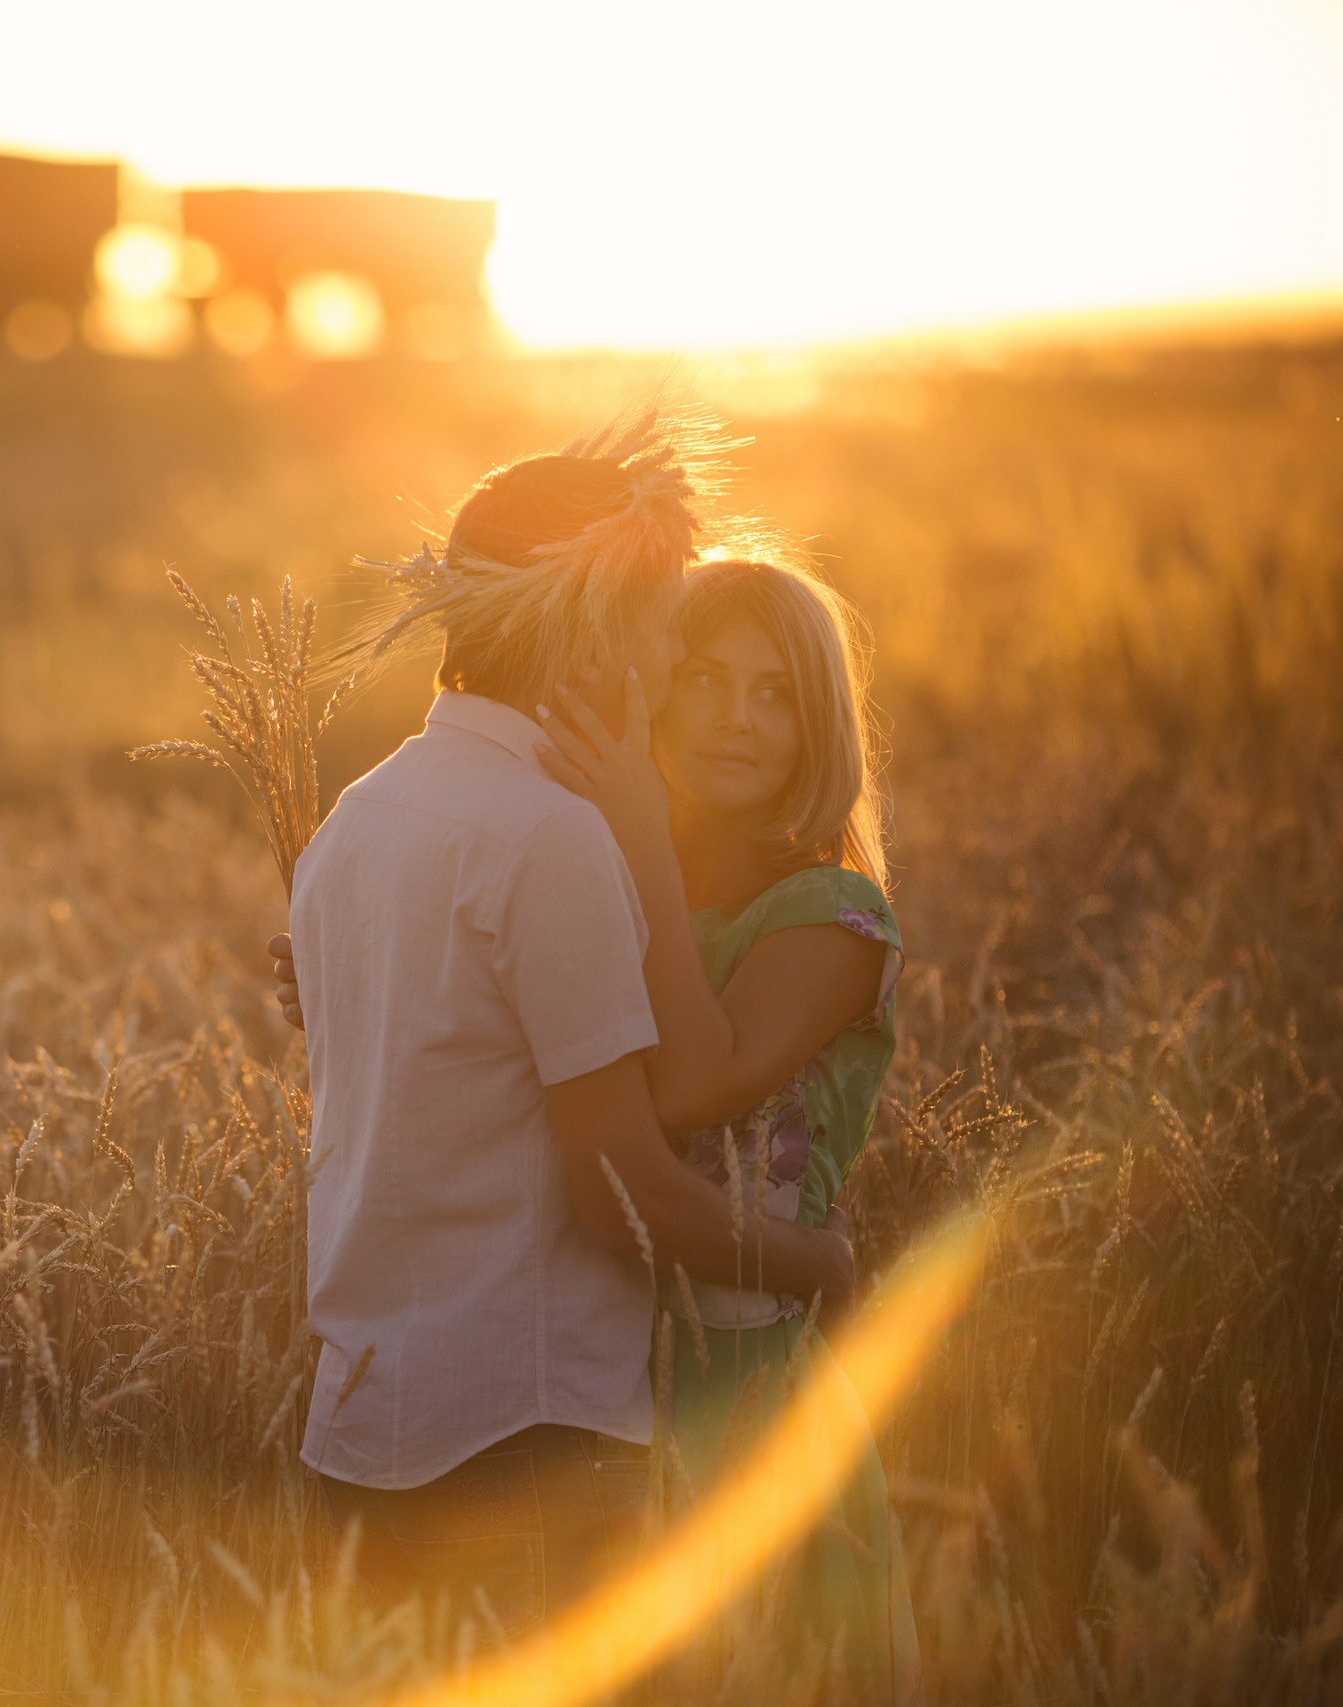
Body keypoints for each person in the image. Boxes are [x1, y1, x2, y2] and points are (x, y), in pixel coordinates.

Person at [279, 413, 856, 1636]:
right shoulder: (550, 841)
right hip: (524, 1434)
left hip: (357, 1427)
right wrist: (824, 1265)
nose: (660, 667)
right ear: (596, 632)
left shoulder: (359, 819)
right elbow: (621, 1196)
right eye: (659, 632)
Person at [530, 557, 921, 1701]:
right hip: (597, 1358)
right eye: (701, 679)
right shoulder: (612, 876)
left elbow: (693, 1084)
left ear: (818, 724)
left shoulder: (832, 917)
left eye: (773, 692)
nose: (735, 720)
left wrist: (641, 833)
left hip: (751, 1376)